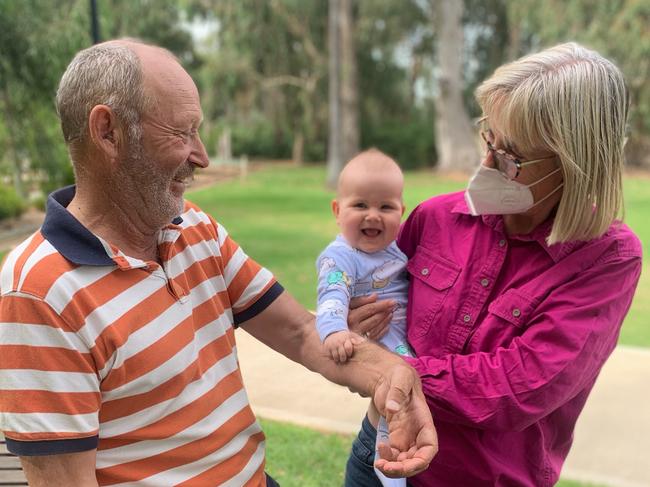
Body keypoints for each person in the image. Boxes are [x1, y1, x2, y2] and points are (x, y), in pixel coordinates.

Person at [0, 39, 437, 486]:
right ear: (108, 131)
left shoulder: (193, 227)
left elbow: (300, 330)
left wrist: (397, 377)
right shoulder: (38, 292)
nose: (202, 157)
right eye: (182, 132)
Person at [344, 42, 642, 487]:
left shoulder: (607, 258)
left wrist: (389, 370)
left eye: (511, 156)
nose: (485, 164)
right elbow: (372, 310)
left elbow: (517, 387)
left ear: (576, 163)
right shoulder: (434, 218)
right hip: (381, 455)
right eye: (489, 138)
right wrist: (353, 319)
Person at [316, 149, 412, 487]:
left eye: (385, 207)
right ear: (337, 210)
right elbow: (333, 295)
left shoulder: (400, 249)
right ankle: (389, 467)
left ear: (401, 213)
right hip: (383, 341)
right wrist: (334, 332)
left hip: (406, 336)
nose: (373, 215)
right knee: (398, 393)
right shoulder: (341, 256)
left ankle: (395, 457)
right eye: (360, 205)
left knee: (405, 396)